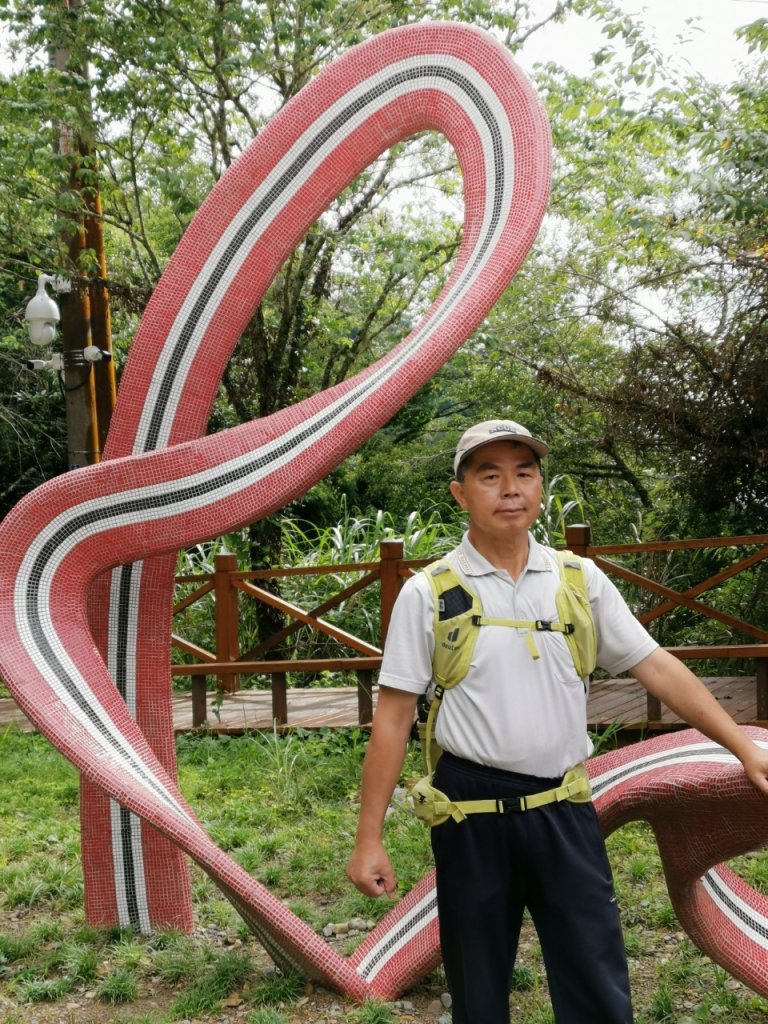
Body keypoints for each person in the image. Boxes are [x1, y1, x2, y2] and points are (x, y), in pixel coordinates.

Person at [346, 418, 768, 1024]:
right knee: (478, 986)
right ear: (461, 494)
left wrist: (741, 748)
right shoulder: (430, 593)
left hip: (565, 804)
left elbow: (655, 666)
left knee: (595, 976)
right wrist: (369, 839)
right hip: (470, 813)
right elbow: (392, 719)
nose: (510, 489)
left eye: (524, 473)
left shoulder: (577, 580)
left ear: (540, 487)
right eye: (490, 475)